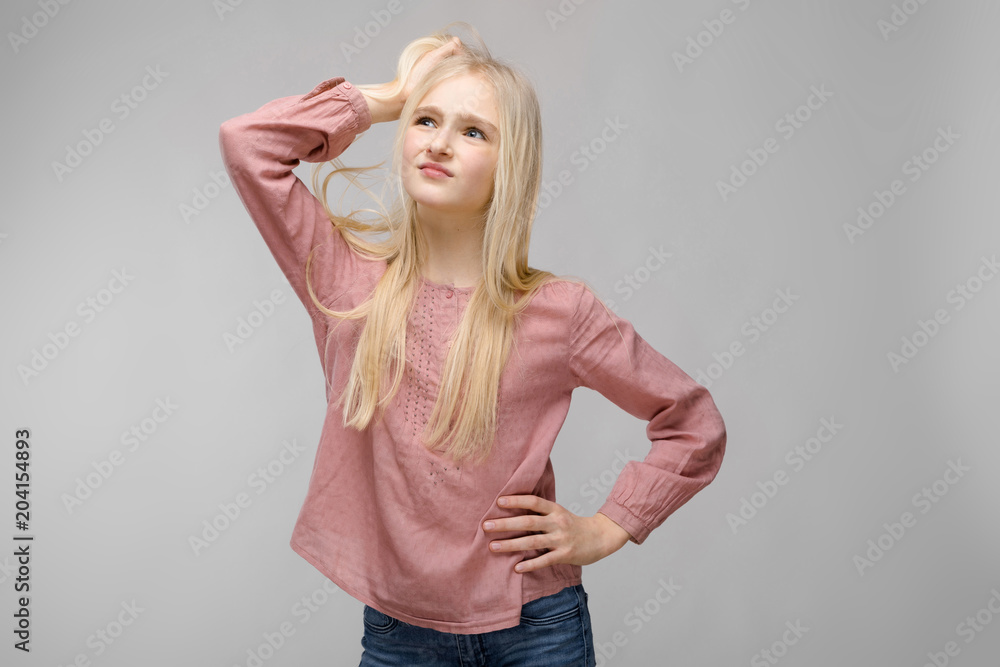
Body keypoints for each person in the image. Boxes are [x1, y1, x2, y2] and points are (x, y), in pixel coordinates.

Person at [218, 21, 726, 667]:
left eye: (474, 130)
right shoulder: (350, 285)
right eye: (426, 121)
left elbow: (693, 423)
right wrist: (387, 96)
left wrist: (607, 527)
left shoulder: (560, 312)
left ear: (509, 167)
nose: (440, 144)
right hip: (400, 633)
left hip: (537, 625)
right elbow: (247, 145)